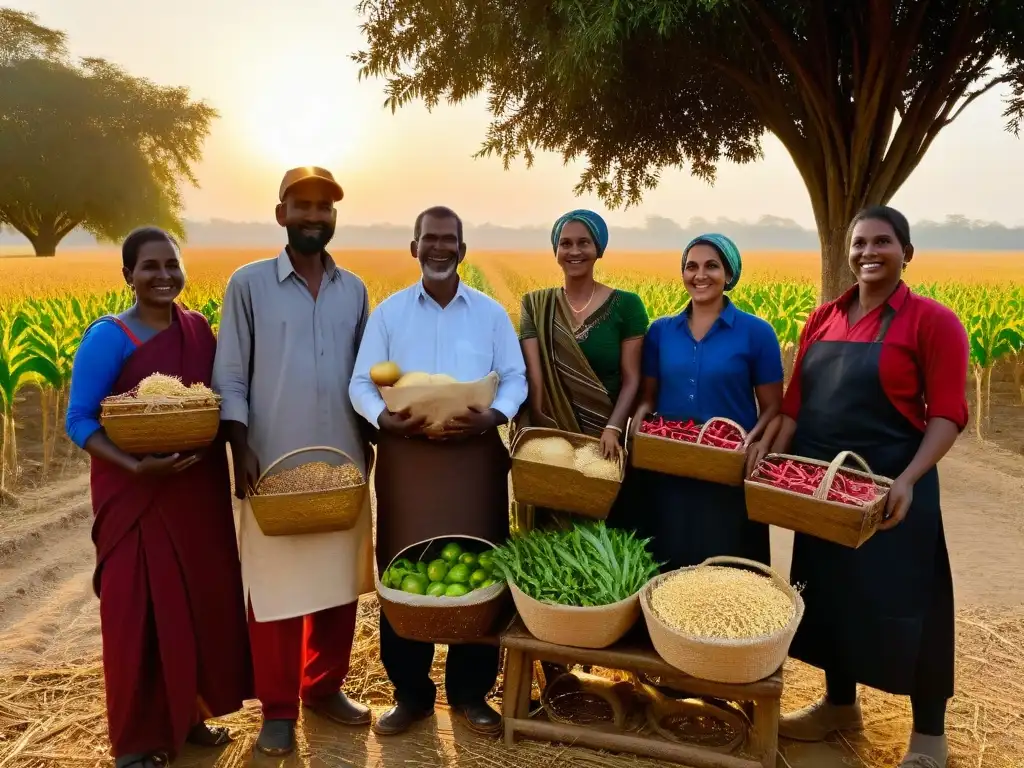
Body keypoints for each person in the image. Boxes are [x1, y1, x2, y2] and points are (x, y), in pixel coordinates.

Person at [761, 206, 969, 768]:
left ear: (907, 252)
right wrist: (769, 460)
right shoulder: (822, 318)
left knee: (914, 607)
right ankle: (839, 707)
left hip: (894, 490)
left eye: (882, 242)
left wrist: (905, 481)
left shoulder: (933, 322)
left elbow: (948, 414)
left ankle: (929, 739)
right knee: (830, 597)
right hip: (825, 491)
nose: (868, 253)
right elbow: (797, 407)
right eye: (859, 243)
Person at [65, 227, 252, 768]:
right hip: (137, 495)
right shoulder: (110, 337)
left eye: (172, 264)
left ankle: (191, 715)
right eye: (150, 266)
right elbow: (78, 420)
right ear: (128, 275)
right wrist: (136, 467)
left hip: (196, 492)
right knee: (138, 615)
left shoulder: (198, 331)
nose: (164, 275)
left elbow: (216, 402)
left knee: (198, 605)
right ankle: (137, 740)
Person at [212, 167, 376, 757]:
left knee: (338, 583)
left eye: (324, 207)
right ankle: (277, 708)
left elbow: (364, 375)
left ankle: (322, 687)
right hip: (272, 462)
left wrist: (371, 440)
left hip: (341, 459)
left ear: (334, 217)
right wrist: (240, 446)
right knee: (275, 588)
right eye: (301, 206)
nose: (313, 215)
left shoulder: (353, 289)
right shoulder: (248, 284)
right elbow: (230, 372)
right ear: (281, 214)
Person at [349, 205, 527, 737]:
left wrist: (494, 415)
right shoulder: (389, 315)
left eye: (450, 240)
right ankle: (411, 694)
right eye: (430, 239)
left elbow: (515, 378)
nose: (439, 248)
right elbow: (361, 382)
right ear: (414, 248)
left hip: (475, 460)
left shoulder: (491, 314)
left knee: (479, 567)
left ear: (463, 250)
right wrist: (385, 419)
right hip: (408, 462)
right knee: (407, 569)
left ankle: (471, 693)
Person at [629, 233, 783, 570]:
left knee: (724, 559)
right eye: (691, 266)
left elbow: (773, 406)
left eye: (712, 266)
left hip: (726, 465)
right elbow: (649, 398)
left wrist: (757, 442)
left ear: (729, 275)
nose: (700, 275)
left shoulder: (756, 332)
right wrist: (638, 421)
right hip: (668, 462)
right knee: (668, 553)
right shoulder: (661, 331)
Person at [513, 208, 649, 533]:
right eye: (566, 243)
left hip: (604, 440)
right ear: (556, 251)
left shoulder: (627, 306)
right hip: (551, 441)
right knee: (552, 533)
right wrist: (542, 430)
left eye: (584, 243)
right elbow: (535, 376)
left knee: (603, 531)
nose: (574, 251)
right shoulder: (536, 306)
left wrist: (614, 429)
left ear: (598, 249)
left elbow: (633, 379)